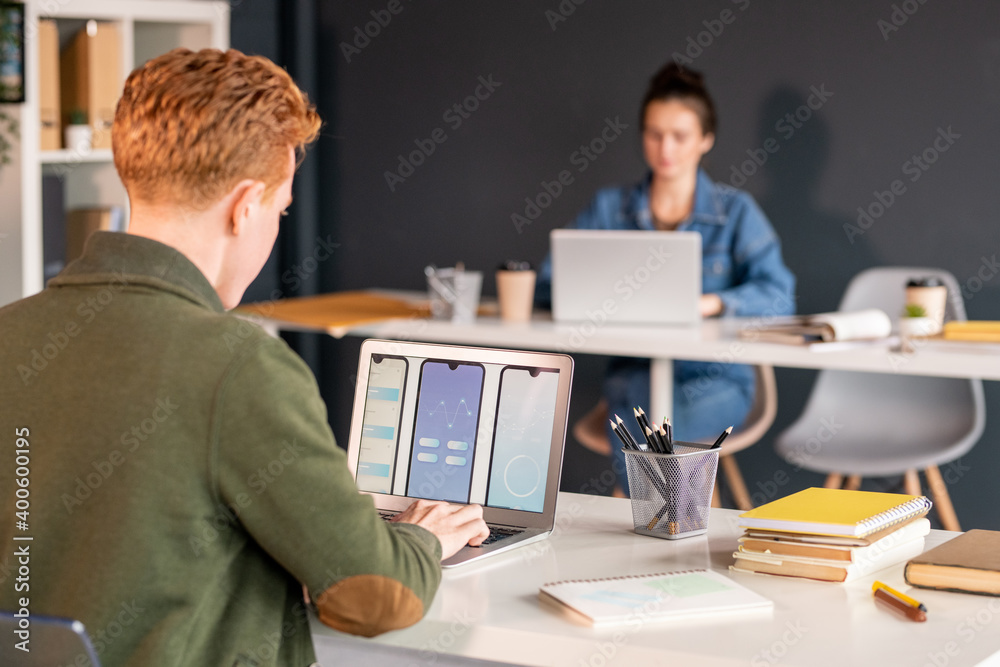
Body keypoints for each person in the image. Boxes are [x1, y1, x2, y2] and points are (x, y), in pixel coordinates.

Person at [0, 48, 488, 667]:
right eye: (281, 212)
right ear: (245, 205)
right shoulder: (237, 366)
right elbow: (376, 597)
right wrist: (422, 538)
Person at [536, 63, 795, 495]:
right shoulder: (608, 209)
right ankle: (671, 529)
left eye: (680, 136)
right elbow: (549, 284)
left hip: (717, 378)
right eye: (654, 134)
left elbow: (779, 296)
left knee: (653, 428)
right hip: (633, 373)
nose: (665, 148)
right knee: (644, 416)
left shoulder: (736, 213)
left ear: (705, 140)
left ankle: (657, 525)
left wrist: (710, 303)